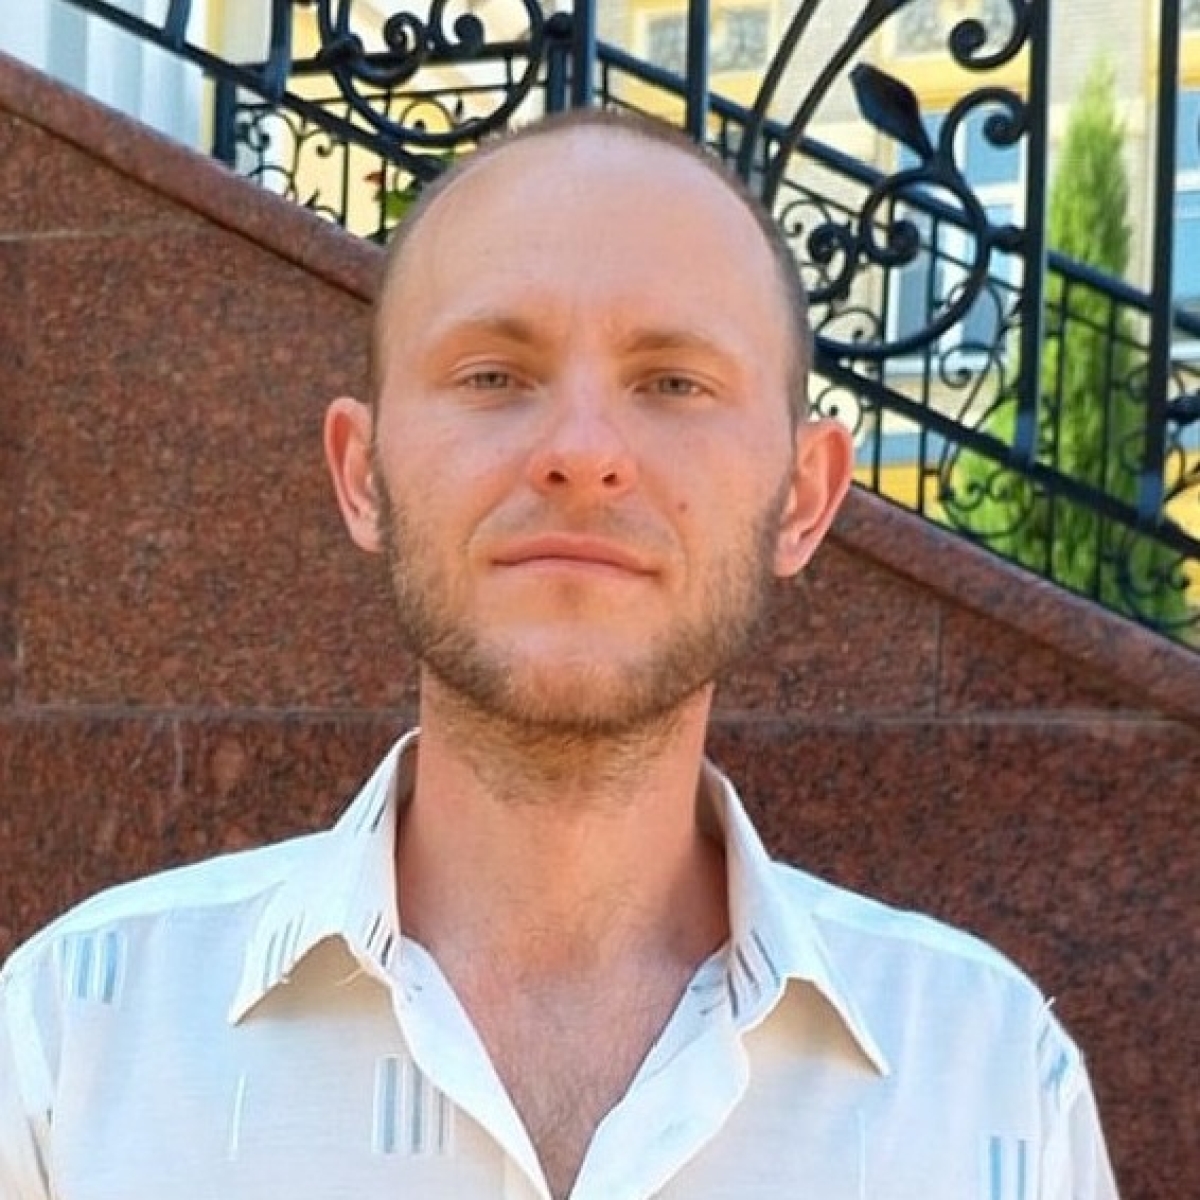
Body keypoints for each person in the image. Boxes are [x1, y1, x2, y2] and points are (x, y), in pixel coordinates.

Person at [0, 110, 1118, 1200]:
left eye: (673, 382)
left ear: (804, 497)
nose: (582, 453)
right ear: (361, 474)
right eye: (494, 375)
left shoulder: (993, 1079)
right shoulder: (71, 1043)